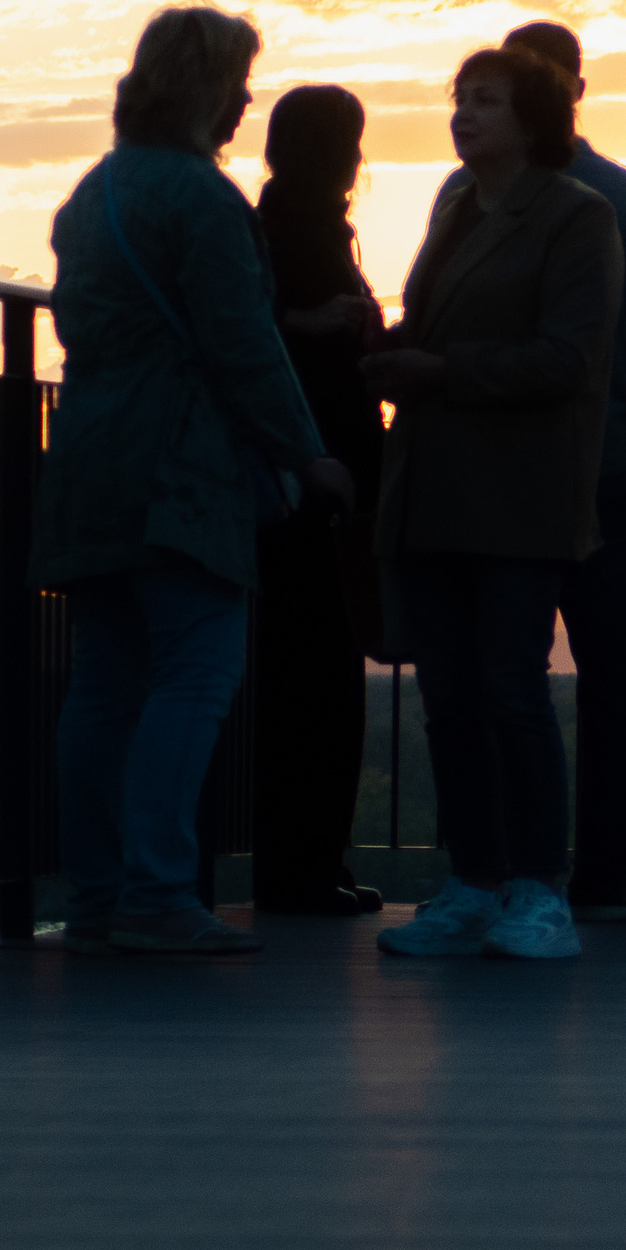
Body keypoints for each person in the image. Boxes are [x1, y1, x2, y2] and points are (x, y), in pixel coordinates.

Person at [36, 6, 353, 955]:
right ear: (205, 89)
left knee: (103, 685)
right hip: (181, 469)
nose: (246, 101)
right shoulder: (204, 200)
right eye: (236, 82)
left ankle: (95, 893)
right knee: (195, 673)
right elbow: (242, 344)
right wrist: (307, 453)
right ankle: (159, 890)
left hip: (88, 457)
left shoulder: (92, 193)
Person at [364, 47, 623, 960]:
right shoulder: (456, 208)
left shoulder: (576, 216)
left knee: (512, 687)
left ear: (534, 118)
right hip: (435, 488)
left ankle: (538, 888)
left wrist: (439, 370)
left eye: (488, 101)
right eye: (461, 99)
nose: (465, 114)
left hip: (520, 493)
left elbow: (570, 357)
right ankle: (473, 881)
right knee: (448, 696)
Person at [495, 22, 626, 921]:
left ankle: (509, 866)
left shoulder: (475, 195)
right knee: (615, 680)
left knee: (504, 675)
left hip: (502, 477)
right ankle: (602, 873)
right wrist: (621, 427)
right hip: (603, 472)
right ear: (579, 87)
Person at [251, 84, 388, 916]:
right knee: (317, 677)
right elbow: (251, 332)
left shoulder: (280, 226)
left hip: (306, 478)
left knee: (307, 673)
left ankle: (305, 860)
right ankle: (305, 864)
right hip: (316, 479)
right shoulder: (293, 235)